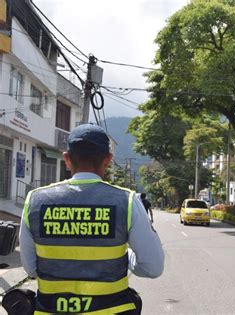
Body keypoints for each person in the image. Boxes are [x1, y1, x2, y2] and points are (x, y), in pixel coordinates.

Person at [19, 124, 164, 314]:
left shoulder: (35, 200)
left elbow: (31, 269)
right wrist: (126, 257)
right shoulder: (127, 201)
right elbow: (153, 268)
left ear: (67, 159)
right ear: (108, 160)